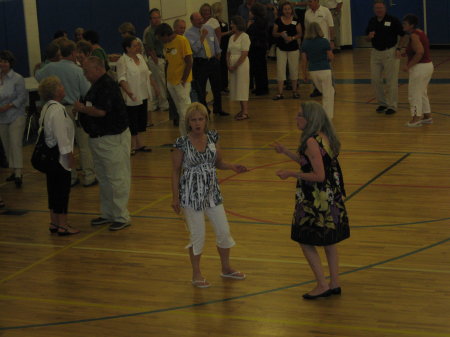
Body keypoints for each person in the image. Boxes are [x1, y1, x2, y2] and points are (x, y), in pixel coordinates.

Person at [274, 101, 349, 299]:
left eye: (299, 115)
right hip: (331, 195)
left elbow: (318, 175)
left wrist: (291, 174)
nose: (295, 118)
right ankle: (334, 282)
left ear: (309, 119)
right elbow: (309, 162)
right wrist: (286, 152)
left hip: (315, 198)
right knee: (329, 241)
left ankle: (322, 284)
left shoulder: (310, 141)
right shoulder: (324, 137)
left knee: (305, 239)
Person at [171, 102, 247, 288]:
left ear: (206, 120)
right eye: (193, 120)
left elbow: (218, 162)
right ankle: (196, 274)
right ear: (188, 122)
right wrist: (175, 198)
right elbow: (175, 171)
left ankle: (226, 268)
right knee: (198, 236)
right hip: (190, 195)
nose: (197, 123)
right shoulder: (181, 143)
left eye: (201, 119)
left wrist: (232, 167)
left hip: (212, 192)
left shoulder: (213, 137)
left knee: (223, 231)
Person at [73, 56, 132, 231]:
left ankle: (122, 215)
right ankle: (108, 213)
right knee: (104, 178)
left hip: (111, 138)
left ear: (98, 69)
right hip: (98, 138)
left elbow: (102, 112)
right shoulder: (97, 86)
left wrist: (82, 109)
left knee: (117, 177)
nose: (85, 74)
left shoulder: (107, 85)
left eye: (87, 71)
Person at [35, 39, 96, 188]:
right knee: (83, 145)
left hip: (55, 109)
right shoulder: (78, 70)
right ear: (74, 52)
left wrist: (40, 66)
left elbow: (38, 76)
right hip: (74, 109)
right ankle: (88, 176)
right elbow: (87, 91)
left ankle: (70, 176)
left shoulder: (49, 68)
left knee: (65, 145)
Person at [38, 76, 79, 235]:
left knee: (53, 190)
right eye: (60, 85)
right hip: (59, 158)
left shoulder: (47, 108)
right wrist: (70, 157)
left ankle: (54, 222)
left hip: (49, 157)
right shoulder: (58, 110)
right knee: (62, 191)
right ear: (55, 91)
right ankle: (63, 225)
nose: (63, 87)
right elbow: (62, 138)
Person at [116, 36, 157, 154]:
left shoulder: (140, 57)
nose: (138, 47)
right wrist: (128, 92)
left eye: (138, 45)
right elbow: (121, 78)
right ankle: (132, 146)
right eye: (134, 45)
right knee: (132, 120)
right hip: (131, 96)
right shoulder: (122, 61)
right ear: (127, 48)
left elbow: (147, 73)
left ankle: (140, 144)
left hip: (143, 93)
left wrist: (155, 86)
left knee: (140, 120)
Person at [365, 0, 407, 115]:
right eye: (377, 8)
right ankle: (382, 103)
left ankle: (392, 105)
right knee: (375, 79)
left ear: (385, 9)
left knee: (391, 80)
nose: (379, 10)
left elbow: (403, 35)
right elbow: (367, 38)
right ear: (374, 9)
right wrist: (369, 37)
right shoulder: (372, 21)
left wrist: (399, 48)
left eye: (381, 8)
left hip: (390, 52)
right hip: (375, 53)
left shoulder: (393, 20)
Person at [186, 12, 228, 117]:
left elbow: (215, 44)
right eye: (197, 19)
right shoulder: (188, 34)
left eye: (201, 18)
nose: (201, 20)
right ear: (192, 21)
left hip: (213, 61)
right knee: (201, 88)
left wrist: (218, 54)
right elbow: (195, 50)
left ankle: (218, 109)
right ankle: (204, 111)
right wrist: (202, 36)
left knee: (217, 86)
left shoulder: (209, 28)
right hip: (200, 62)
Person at [155, 23, 193, 136]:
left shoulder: (182, 40)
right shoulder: (166, 44)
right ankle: (184, 137)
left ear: (166, 34)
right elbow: (169, 63)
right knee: (179, 111)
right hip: (171, 82)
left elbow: (189, 61)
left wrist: (183, 80)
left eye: (161, 37)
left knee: (185, 111)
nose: (161, 40)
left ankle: (188, 137)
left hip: (182, 82)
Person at [0, 50, 27, 188]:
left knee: (15, 142)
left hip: (16, 114)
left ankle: (18, 173)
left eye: (5, 61)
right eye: (1, 61)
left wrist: (9, 106)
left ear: (10, 63)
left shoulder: (17, 78)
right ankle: (13, 169)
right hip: (1, 117)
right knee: (7, 144)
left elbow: (22, 97)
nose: (2, 64)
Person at [402, 14, 433, 127]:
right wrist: (406, 53)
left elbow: (420, 52)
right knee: (422, 92)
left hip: (420, 68)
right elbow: (417, 49)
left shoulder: (414, 36)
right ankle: (427, 116)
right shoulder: (420, 32)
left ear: (411, 25)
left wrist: (408, 65)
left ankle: (416, 118)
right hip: (427, 66)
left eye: (405, 24)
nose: (403, 25)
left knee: (414, 93)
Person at [301, 22, 335, 119]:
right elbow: (331, 57)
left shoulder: (305, 43)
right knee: (328, 94)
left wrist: (304, 74)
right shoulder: (324, 41)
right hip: (324, 69)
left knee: (325, 91)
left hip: (313, 71)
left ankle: (325, 114)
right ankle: (327, 116)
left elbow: (304, 61)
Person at [272, 1, 302, 100]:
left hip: (293, 48)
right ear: (282, 10)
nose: (287, 11)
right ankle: (280, 93)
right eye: (285, 9)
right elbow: (274, 33)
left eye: (289, 9)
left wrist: (292, 38)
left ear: (291, 10)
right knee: (280, 70)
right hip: (281, 49)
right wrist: (280, 34)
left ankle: (294, 92)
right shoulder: (278, 21)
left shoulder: (296, 20)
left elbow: (300, 34)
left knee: (294, 70)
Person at [143, 8, 170, 112]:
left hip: (164, 58)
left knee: (163, 82)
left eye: (158, 17)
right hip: (157, 59)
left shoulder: (164, 28)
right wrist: (156, 62)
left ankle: (159, 103)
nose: (156, 20)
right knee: (160, 83)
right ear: (150, 19)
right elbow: (150, 49)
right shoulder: (149, 32)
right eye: (154, 18)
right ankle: (164, 105)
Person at [227, 16, 251, 121]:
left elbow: (244, 53)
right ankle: (242, 109)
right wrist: (228, 64)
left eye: (233, 23)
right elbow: (228, 52)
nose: (231, 25)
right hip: (232, 63)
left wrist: (235, 65)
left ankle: (245, 111)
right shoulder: (231, 37)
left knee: (242, 86)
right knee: (236, 87)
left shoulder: (245, 36)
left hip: (241, 64)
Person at [247, 3, 269, 96]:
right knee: (262, 68)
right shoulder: (264, 20)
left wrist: (248, 26)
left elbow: (249, 35)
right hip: (262, 47)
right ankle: (262, 87)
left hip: (255, 47)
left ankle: (260, 89)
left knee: (257, 69)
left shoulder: (254, 22)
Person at [212, 2, 231, 93]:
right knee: (221, 66)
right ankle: (221, 86)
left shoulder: (221, 20)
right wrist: (229, 32)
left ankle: (225, 85)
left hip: (225, 44)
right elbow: (217, 35)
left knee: (224, 65)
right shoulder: (214, 21)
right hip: (220, 45)